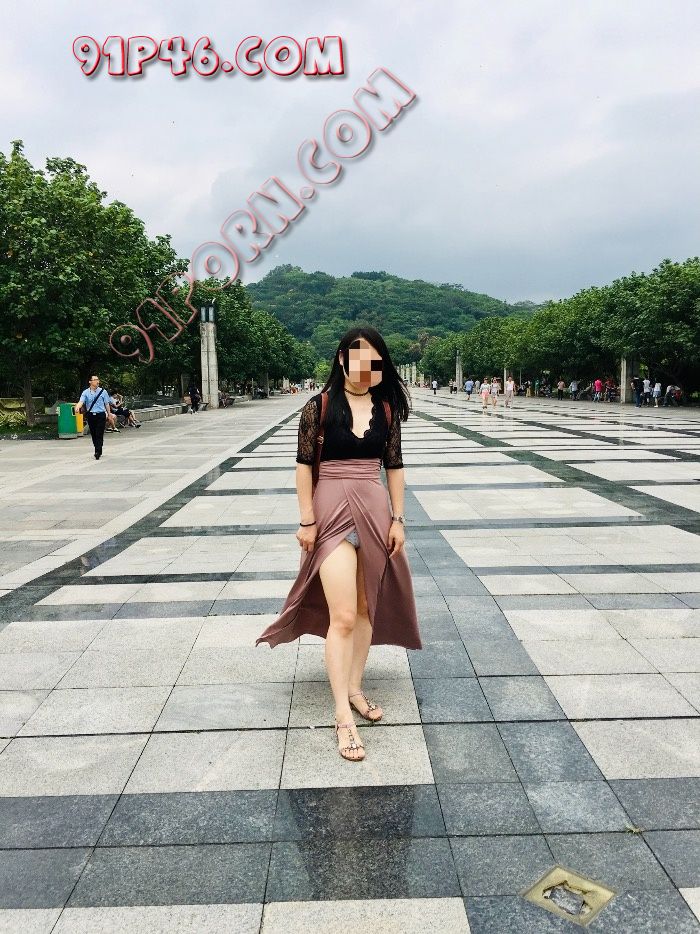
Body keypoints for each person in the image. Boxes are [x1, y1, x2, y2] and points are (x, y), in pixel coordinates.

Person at [256, 329, 421, 762]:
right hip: (331, 514)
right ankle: (342, 715)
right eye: (359, 360)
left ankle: (354, 687)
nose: (366, 370)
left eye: (375, 363)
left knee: (366, 608)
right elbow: (303, 466)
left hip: (375, 511)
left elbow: (394, 466)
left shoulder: (387, 409)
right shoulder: (320, 406)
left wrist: (399, 519)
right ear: (342, 359)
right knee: (344, 614)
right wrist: (306, 519)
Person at [74, 375, 112, 460]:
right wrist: (77, 407)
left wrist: (109, 414)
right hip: (91, 415)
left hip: (101, 415)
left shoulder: (103, 391)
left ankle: (97, 451)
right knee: (93, 433)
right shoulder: (86, 392)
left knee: (99, 433)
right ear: (90, 382)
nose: (97, 381)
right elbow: (81, 401)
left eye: (98, 380)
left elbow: (106, 404)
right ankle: (97, 448)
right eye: (95, 380)